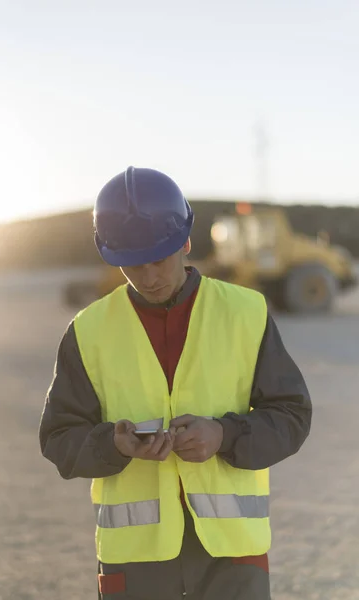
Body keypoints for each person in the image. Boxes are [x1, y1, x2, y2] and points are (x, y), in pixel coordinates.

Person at [39, 166, 312, 600]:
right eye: (132, 264)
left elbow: (292, 416)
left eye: (158, 259)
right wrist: (115, 444)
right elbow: (58, 437)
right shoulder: (87, 332)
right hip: (136, 562)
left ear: (185, 241)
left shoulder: (247, 313)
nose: (148, 277)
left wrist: (224, 434)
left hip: (232, 557)